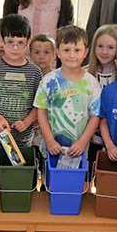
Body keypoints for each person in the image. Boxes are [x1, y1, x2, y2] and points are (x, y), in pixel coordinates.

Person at [34, 25, 100, 159]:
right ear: (58, 52)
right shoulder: (48, 81)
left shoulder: (92, 83)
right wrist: (50, 140)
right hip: (52, 148)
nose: (72, 55)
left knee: (76, 180)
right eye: (66, 50)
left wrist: (82, 142)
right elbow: (41, 111)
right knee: (50, 179)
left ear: (85, 52)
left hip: (79, 150)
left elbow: (95, 116)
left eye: (77, 50)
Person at [0, 14, 42, 159]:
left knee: (17, 176)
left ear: (28, 42)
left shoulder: (35, 72)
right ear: (2, 41)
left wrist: (26, 122)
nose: (15, 48)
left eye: (20, 42)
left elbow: (39, 105)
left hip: (23, 138)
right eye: (10, 42)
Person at [87, 24, 117, 164]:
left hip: (114, 138)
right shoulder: (85, 73)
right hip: (89, 137)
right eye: (100, 46)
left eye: (110, 47)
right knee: (87, 176)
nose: (104, 51)